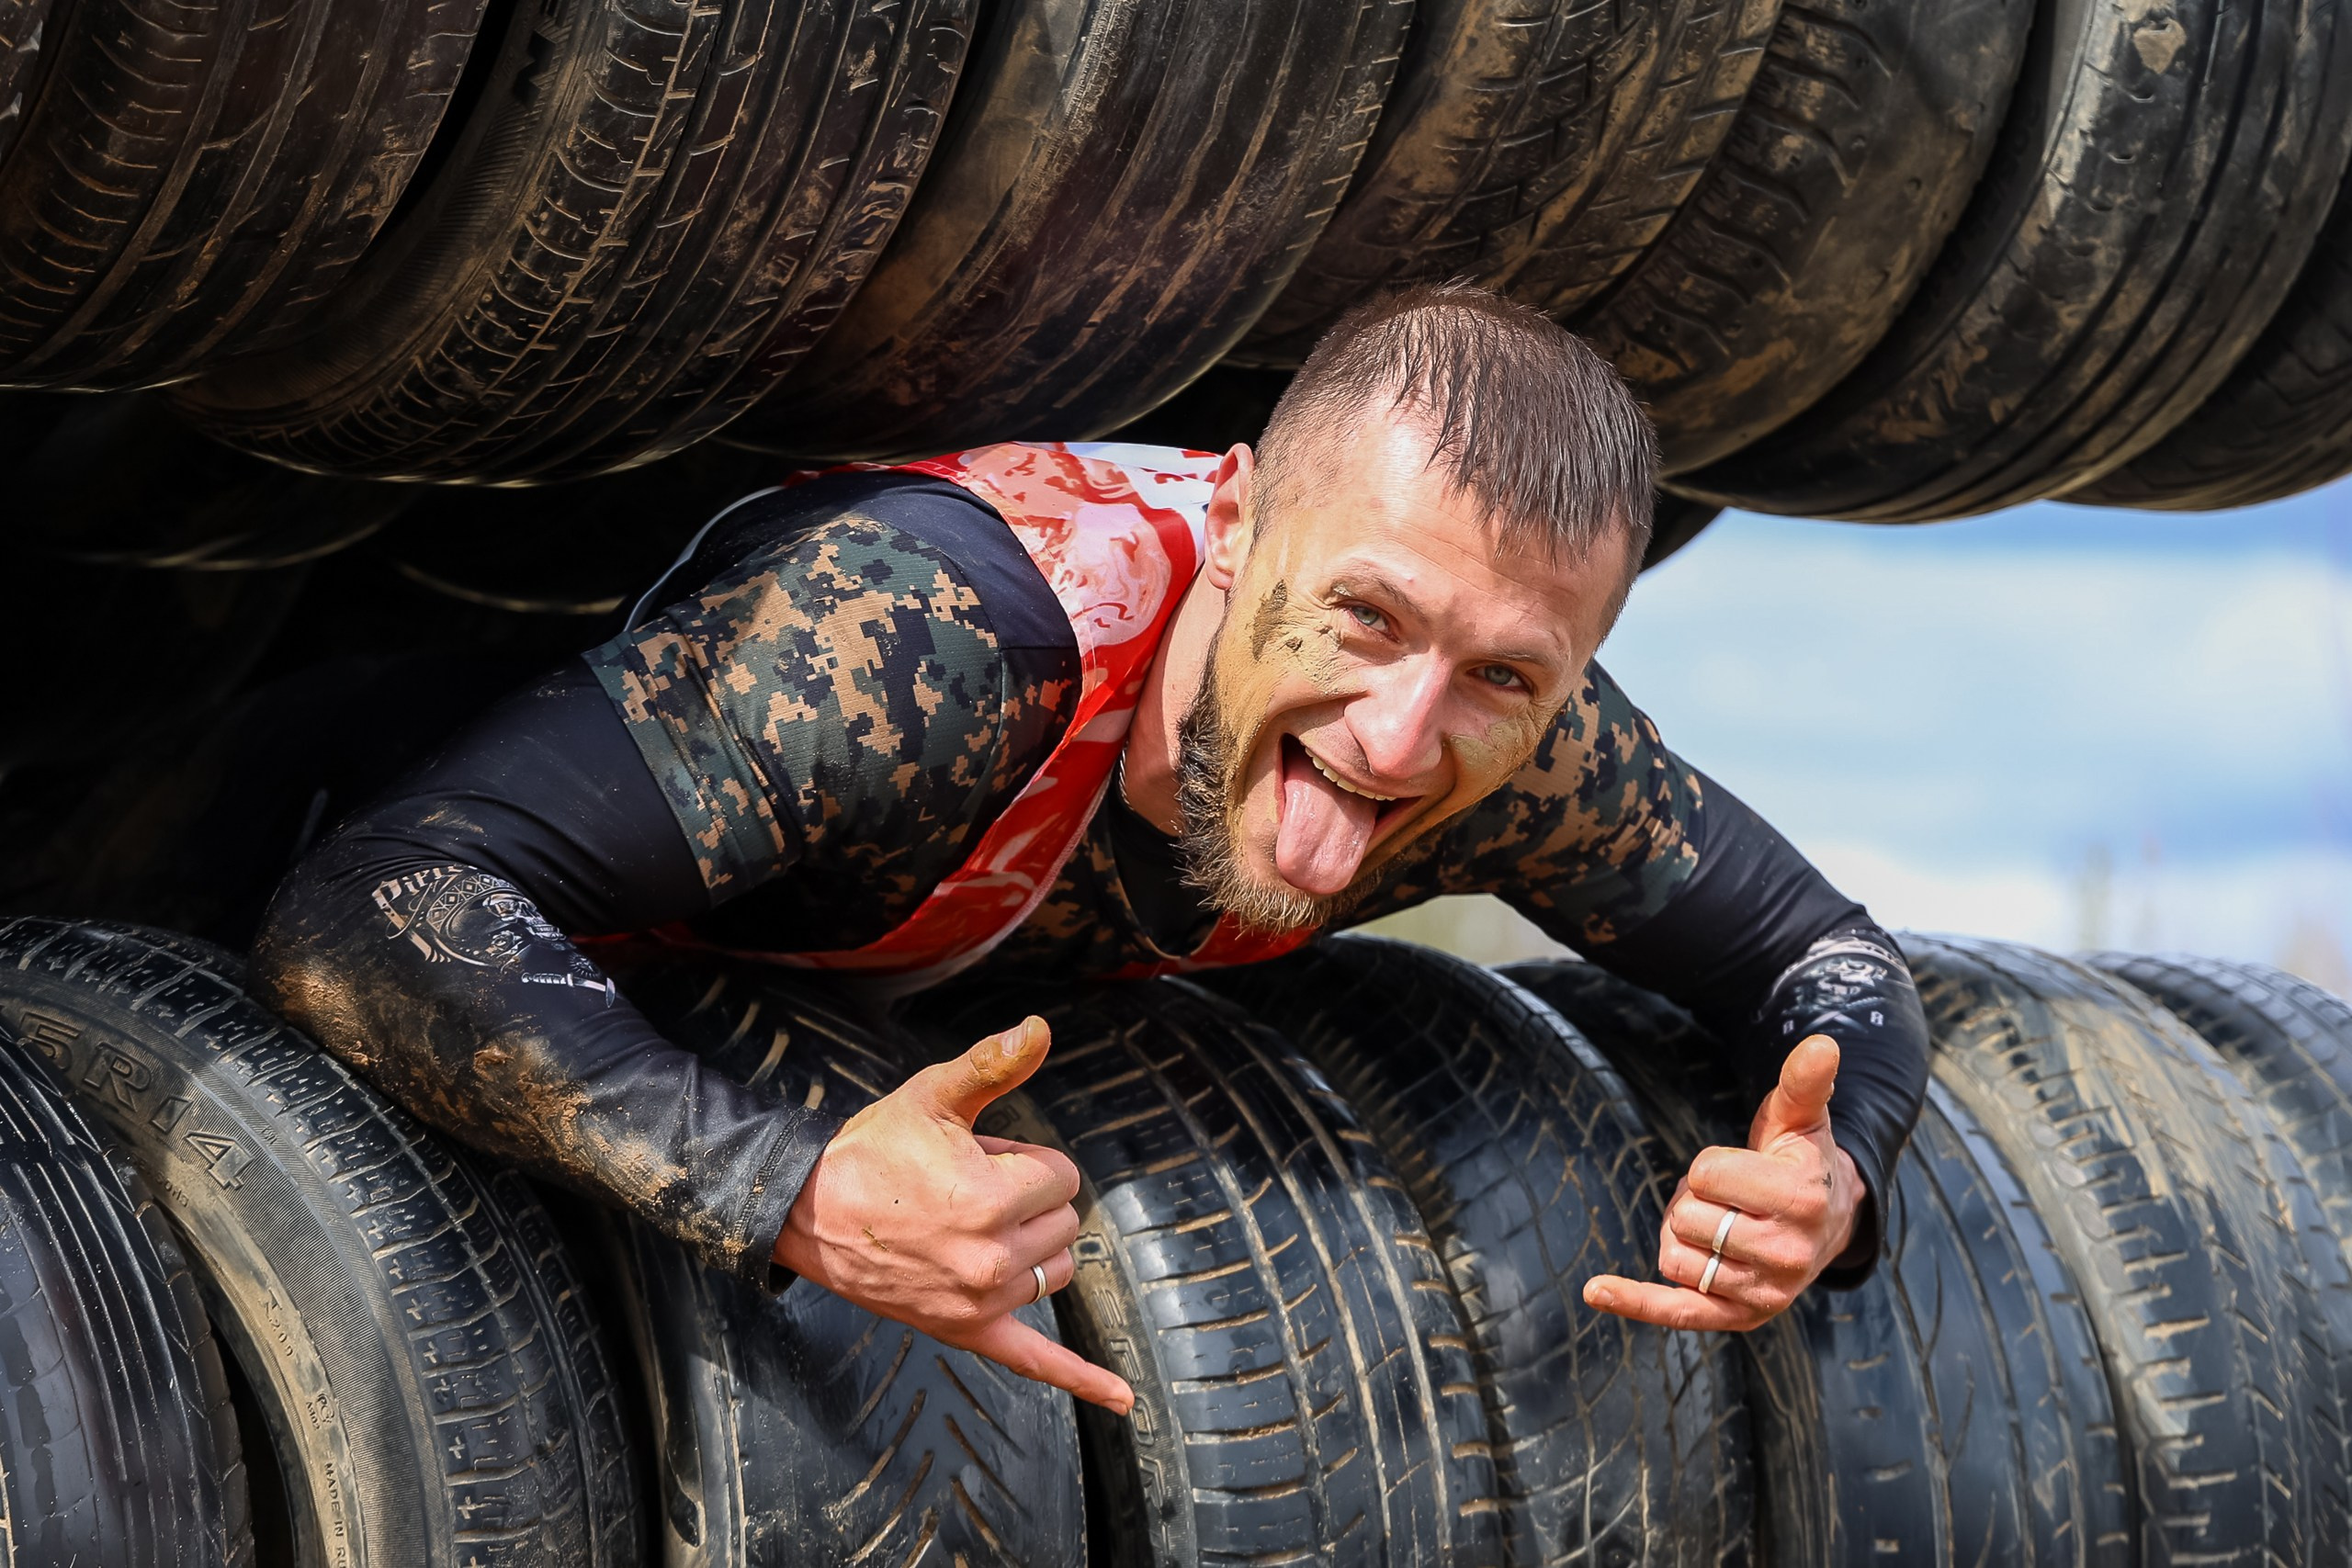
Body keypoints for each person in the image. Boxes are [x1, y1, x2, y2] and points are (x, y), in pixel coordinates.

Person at [254, 283, 1929, 1416]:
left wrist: (1831, 1176)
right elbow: (376, 896)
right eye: (1365, 616)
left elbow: (1827, 957)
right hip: (278, 839)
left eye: (1506, 676)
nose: (1400, 738)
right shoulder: (923, 639)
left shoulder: (1531, 758)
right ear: (1239, 518)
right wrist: (795, 1187)